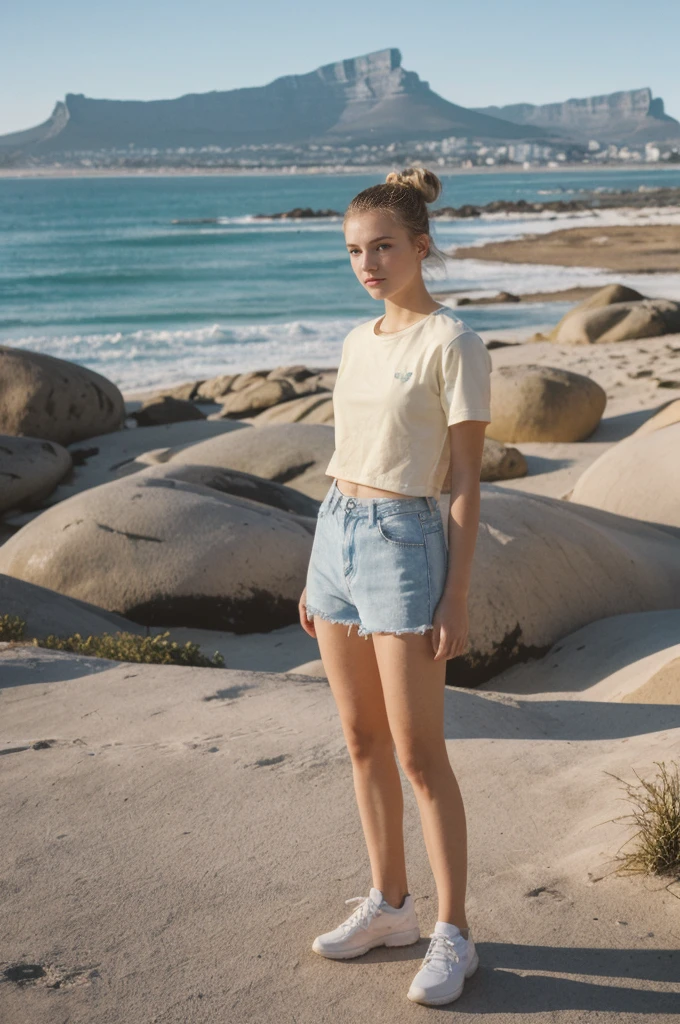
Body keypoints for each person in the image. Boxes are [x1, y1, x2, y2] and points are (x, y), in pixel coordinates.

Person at [298, 166, 492, 1007]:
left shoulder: (453, 342)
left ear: (421, 246)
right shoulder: (355, 340)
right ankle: (390, 907)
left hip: (407, 543)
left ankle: (453, 932)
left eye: (383, 247)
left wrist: (454, 596)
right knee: (361, 742)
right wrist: (317, 570)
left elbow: (465, 481)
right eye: (354, 250)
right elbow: (347, 457)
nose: (368, 263)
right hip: (337, 535)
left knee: (419, 755)